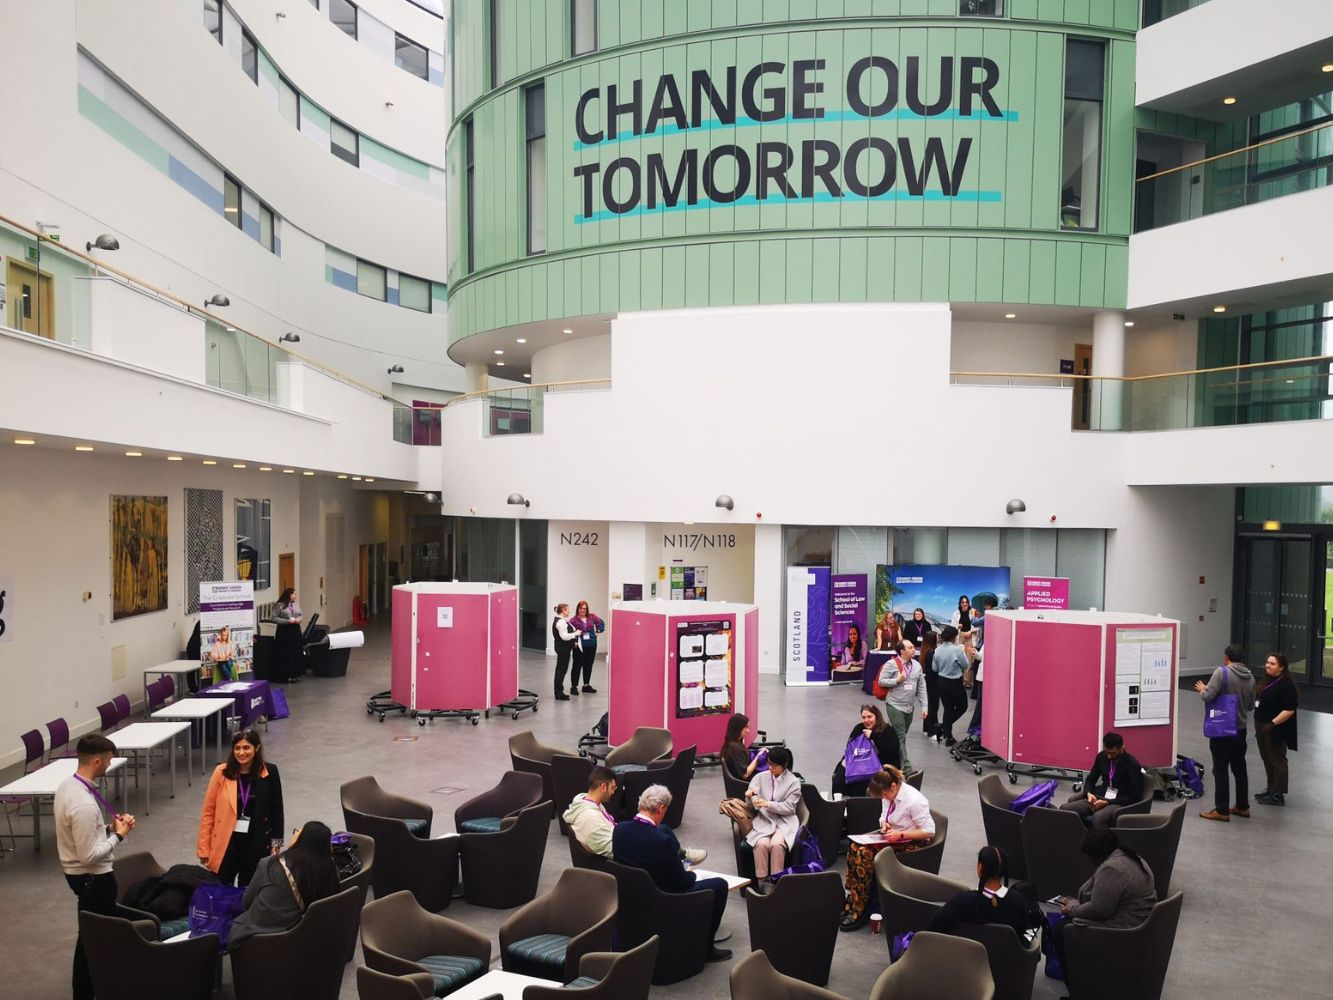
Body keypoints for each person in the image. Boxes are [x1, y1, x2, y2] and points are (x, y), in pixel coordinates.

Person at [56, 734, 136, 1000]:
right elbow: (89, 855)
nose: (109, 765)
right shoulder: (83, 804)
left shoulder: (69, 787)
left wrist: (108, 827)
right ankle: (85, 992)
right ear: (98, 760)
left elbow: (83, 833)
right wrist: (119, 835)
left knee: (92, 936)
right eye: (109, 760)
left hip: (81, 877)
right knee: (92, 939)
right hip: (93, 880)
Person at [613, 785, 732, 962]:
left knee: (664, 829)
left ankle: (681, 855)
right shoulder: (661, 842)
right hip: (663, 897)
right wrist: (689, 871)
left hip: (631, 894)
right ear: (661, 808)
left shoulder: (619, 830)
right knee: (720, 885)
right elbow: (683, 883)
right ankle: (706, 948)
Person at [840, 766, 935, 931]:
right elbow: (884, 816)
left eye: (884, 794)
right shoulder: (889, 795)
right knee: (854, 847)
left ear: (893, 786)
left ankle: (861, 907)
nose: (884, 798)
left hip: (912, 843)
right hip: (893, 838)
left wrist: (901, 835)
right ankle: (853, 898)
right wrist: (884, 824)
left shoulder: (914, 801)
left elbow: (929, 831)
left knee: (864, 854)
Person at [1050, 828, 1157, 973]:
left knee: (1061, 930)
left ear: (1096, 855)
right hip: (1140, 920)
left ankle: (1078, 985)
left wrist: (1073, 909)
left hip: (1124, 928)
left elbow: (1100, 910)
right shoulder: (1128, 856)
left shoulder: (1111, 869)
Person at [228, 820, 340, 952]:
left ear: (301, 839)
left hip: (253, 937)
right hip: (294, 940)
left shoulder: (269, 864)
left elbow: (246, 902)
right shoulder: (326, 873)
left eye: (298, 831)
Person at [567, 766, 708, 864]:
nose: (613, 792)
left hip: (618, 839)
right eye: (612, 788)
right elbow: (609, 849)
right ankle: (678, 860)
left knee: (662, 829)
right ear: (603, 787)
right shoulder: (590, 817)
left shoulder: (585, 801)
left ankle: (681, 855)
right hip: (620, 850)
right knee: (659, 840)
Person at [198, 729, 285, 886]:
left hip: (256, 843)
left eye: (246, 748)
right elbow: (208, 812)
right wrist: (204, 848)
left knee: (249, 889)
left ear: (256, 748)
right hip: (227, 843)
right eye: (237, 748)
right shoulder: (221, 772)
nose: (241, 753)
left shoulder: (270, 772)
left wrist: (276, 844)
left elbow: (277, 809)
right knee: (221, 889)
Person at [926, 846, 1042, 939]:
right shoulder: (1019, 902)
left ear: (980, 868)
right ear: (1005, 871)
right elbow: (1025, 936)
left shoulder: (962, 901)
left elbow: (932, 929)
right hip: (1007, 964)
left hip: (964, 962)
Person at [1195, 644, 1256, 822]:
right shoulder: (1250, 676)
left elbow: (1208, 697)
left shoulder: (1221, 673)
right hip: (1241, 729)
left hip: (1222, 730)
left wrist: (1202, 690)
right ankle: (1242, 806)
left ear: (1226, 658)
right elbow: (1251, 706)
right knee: (1239, 768)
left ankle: (1221, 810)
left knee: (1220, 770)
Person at [743, 747, 802, 892]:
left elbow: (789, 808)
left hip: (785, 822)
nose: (770, 768)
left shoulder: (794, 782)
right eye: (769, 763)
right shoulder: (760, 777)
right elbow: (751, 804)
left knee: (776, 845)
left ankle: (777, 884)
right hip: (764, 820)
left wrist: (768, 804)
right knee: (761, 844)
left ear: (785, 765)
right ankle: (762, 883)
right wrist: (749, 796)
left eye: (774, 765)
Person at [1061, 732, 1144, 830]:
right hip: (1100, 796)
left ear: (1122, 748)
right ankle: (1079, 837)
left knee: (1098, 818)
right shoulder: (1102, 757)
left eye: (1113, 753)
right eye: (1107, 752)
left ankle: (1100, 843)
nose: (1109, 756)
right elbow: (1091, 779)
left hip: (1119, 801)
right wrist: (1089, 793)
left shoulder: (1132, 765)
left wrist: (1107, 802)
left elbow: (1135, 796)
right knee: (1065, 809)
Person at [1254, 652, 1299, 806]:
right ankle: (1271, 788)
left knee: (1277, 760)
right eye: (1267, 662)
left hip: (1274, 728)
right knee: (1267, 758)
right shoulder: (1267, 680)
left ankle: (1278, 795)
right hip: (1261, 725)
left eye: (1272, 664)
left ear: (1282, 667)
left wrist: (1272, 723)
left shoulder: (1285, 684)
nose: (1268, 665)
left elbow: (1290, 709)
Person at [879, 640, 928, 772]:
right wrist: (897, 680)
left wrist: (924, 706)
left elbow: (922, 687)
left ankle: (889, 758)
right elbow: (881, 681)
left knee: (899, 737)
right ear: (902, 651)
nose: (914, 650)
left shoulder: (917, 666)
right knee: (900, 735)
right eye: (910, 647)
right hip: (895, 705)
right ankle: (906, 768)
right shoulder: (891, 664)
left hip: (909, 707)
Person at [832, 704, 901, 798]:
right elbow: (850, 749)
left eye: (869, 717)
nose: (866, 720)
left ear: (877, 716)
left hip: (881, 767)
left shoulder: (888, 731)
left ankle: (857, 809)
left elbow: (892, 754)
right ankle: (840, 805)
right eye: (863, 717)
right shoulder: (859, 729)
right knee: (838, 779)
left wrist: (873, 736)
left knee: (859, 785)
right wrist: (842, 766)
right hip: (859, 764)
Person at [933, 625, 970, 746]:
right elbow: (965, 665)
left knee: (948, 708)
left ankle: (947, 734)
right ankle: (943, 728)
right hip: (954, 682)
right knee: (962, 706)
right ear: (954, 637)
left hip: (941, 681)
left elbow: (934, 667)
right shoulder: (957, 650)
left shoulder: (937, 650)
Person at [569, 600, 605, 694]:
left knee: (588, 665)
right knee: (577, 666)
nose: (582, 610)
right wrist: (574, 641)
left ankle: (586, 685)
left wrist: (599, 630)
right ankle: (574, 686)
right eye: (581, 608)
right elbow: (570, 632)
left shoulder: (592, 616)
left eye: (584, 608)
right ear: (578, 609)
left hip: (592, 645)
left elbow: (601, 623)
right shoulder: (573, 620)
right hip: (579, 646)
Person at [551, 603, 581, 701]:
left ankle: (559, 691)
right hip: (563, 649)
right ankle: (559, 693)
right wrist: (575, 634)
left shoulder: (561, 621)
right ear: (563, 610)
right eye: (568, 610)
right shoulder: (561, 622)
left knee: (561, 670)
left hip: (563, 648)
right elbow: (564, 636)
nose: (569, 611)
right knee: (561, 671)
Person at [720, 713, 760, 783]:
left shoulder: (732, 745)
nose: (748, 731)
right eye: (745, 727)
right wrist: (757, 758)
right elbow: (745, 774)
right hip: (745, 785)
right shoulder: (735, 749)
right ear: (738, 728)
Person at [920, 629, 940, 738]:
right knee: (933, 706)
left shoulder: (925, 651)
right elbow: (935, 669)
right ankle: (932, 730)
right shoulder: (932, 653)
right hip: (933, 682)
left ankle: (927, 728)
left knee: (929, 705)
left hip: (928, 681)